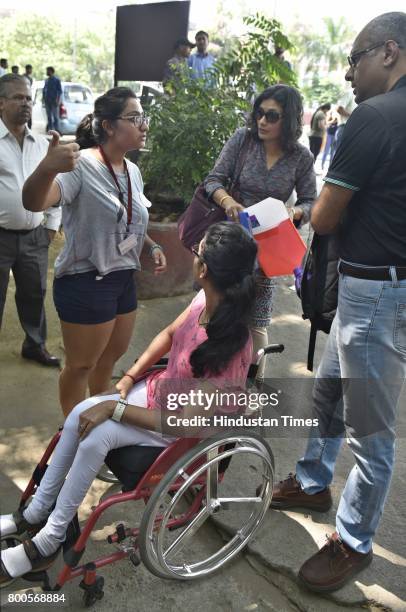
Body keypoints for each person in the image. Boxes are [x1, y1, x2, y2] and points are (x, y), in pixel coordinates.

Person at [0, 222, 257, 585]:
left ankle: (48, 539)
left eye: (197, 252)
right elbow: (169, 335)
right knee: (78, 414)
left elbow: (183, 423)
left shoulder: (231, 345)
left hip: (181, 429)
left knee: (96, 436)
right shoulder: (205, 300)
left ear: (204, 270)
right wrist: (128, 377)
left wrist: (114, 408)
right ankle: (36, 510)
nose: (194, 255)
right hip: (158, 391)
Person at [271, 11, 406, 592]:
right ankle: (313, 479)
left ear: (389, 53)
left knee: (369, 429)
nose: (349, 72)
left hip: (374, 291)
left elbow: (324, 214)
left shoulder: (375, 117)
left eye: (355, 59)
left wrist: (308, 213)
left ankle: (353, 540)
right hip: (379, 285)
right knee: (329, 390)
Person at [22, 87, 167, 417]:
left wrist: (153, 245)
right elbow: (33, 202)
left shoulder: (133, 171)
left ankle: (98, 421)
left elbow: (129, 221)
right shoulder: (80, 166)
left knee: (108, 360)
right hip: (86, 281)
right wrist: (47, 168)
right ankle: (72, 434)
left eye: (143, 117)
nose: (144, 125)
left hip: (122, 280)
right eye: (135, 118)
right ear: (109, 126)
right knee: (81, 366)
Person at [204, 85, 316, 380]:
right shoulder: (243, 141)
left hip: (268, 251)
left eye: (271, 116)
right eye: (259, 113)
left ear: (289, 120)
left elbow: (310, 202)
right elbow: (213, 180)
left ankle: (249, 386)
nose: (262, 121)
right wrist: (227, 201)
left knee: (256, 322)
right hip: (229, 245)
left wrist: (294, 213)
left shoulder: (301, 158)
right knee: (215, 313)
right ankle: (208, 381)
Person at [0, 74, 61, 366]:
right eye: (17, 98)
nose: (25, 104)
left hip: (34, 236)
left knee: (35, 293)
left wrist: (51, 225)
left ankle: (34, 345)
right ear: (1, 103)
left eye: (28, 98)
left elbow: (54, 183)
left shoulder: (41, 143)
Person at [43, 67, 62, 132]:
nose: (47, 72)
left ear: (51, 71)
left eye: (48, 71)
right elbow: (44, 90)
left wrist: (57, 100)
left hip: (54, 101)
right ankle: (50, 129)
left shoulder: (57, 80)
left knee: (55, 116)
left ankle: (57, 130)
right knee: (49, 116)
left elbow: (59, 91)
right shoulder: (46, 80)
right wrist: (43, 100)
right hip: (47, 101)